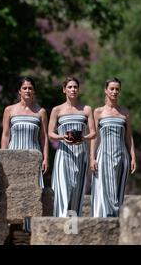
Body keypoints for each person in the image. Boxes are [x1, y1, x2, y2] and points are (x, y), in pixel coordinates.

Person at [48, 77, 96, 217]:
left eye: (75, 87)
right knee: (62, 191)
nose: (73, 89)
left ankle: (72, 230)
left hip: (81, 155)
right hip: (63, 155)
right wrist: (62, 137)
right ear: (64, 90)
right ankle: (60, 228)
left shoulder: (86, 109)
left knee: (77, 192)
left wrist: (84, 138)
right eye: (70, 87)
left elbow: (93, 132)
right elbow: (50, 133)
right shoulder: (57, 110)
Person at [90, 78, 136, 217]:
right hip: (104, 156)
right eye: (112, 89)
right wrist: (92, 158)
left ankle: (117, 224)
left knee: (118, 191)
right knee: (105, 191)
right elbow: (94, 137)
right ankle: (104, 221)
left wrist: (133, 157)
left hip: (122, 156)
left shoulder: (125, 113)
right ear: (106, 90)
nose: (114, 91)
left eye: (117, 89)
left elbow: (129, 137)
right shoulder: (98, 112)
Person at [1, 77, 49, 187]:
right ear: (19, 91)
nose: (27, 90)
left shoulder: (41, 112)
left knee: (34, 188)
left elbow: (44, 137)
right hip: (13, 153)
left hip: (34, 155)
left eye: (30, 88)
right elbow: (5, 134)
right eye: (24, 88)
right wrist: (3, 155)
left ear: (34, 91)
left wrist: (46, 158)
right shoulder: (9, 110)